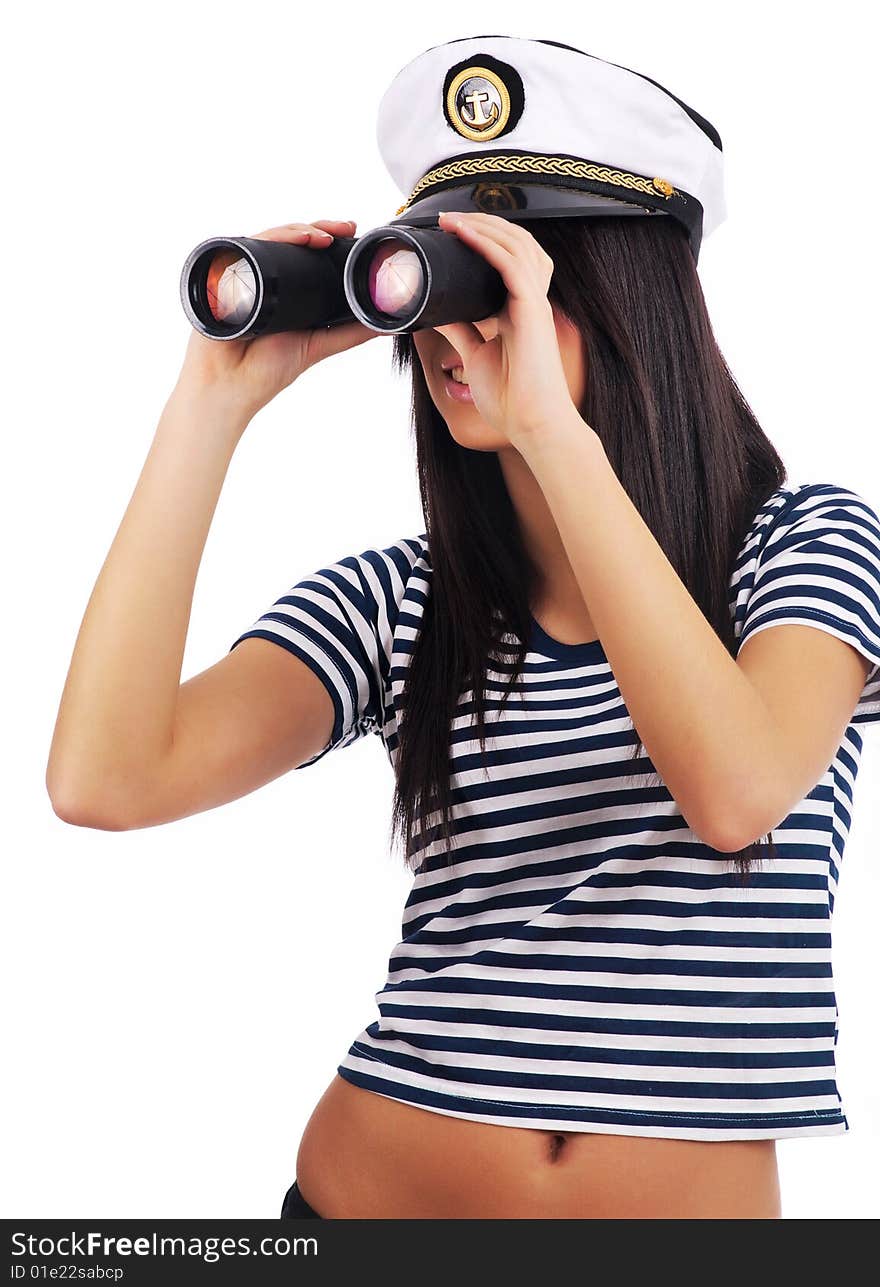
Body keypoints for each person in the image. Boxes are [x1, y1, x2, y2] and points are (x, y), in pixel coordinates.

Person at [46, 36, 880, 1220]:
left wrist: (552, 429)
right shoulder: (407, 603)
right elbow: (107, 777)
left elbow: (736, 787)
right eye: (439, 287)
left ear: (627, 297)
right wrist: (211, 402)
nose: (456, 333)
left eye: (502, 289)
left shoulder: (801, 550)